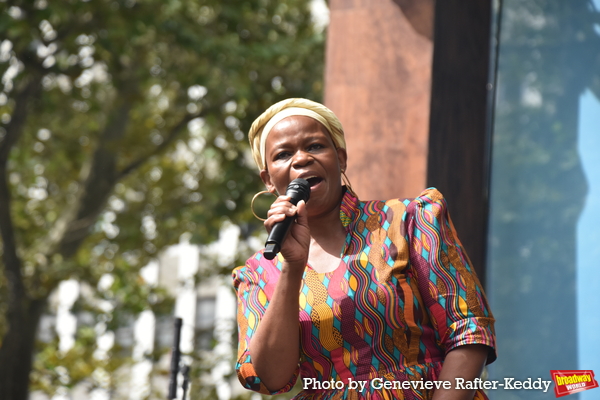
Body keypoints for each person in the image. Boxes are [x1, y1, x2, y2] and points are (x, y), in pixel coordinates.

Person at [232, 98, 496, 400]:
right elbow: (270, 378)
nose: (301, 159)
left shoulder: (409, 221)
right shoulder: (259, 272)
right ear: (268, 179)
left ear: (341, 159)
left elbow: (469, 332)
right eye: (283, 154)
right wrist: (292, 268)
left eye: (316, 146)